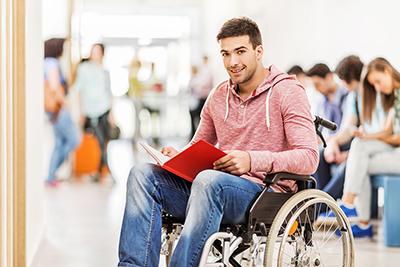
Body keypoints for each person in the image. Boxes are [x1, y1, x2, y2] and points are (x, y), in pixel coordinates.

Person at [118, 17, 318, 267]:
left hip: (264, 193)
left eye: (240, 52)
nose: (232, 62)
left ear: (259, 51)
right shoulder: (218, 95)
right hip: (211, 189)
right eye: (225, 54)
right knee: (141, 174)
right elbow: (198, 144)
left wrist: (251, 160)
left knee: (209, 180)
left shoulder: (287, 92)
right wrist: (176, 158)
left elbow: (309, 157)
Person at [324, 58, 400, 238]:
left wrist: (367, 137)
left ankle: (349, 205)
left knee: (360, 158)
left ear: (388, 71)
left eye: (378, 82)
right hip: (393, 152)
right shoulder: (394, 97)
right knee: (360, 158)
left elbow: (396, 138)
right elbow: (388, 131)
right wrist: (365, 135)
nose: (378, 88)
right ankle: (361, 219)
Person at [314, 56, 364, 200]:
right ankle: (318, 201)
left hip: (359, 148)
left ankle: (320, 205)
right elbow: (347, 128)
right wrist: (334, 142)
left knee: (346, 166)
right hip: (354, 145)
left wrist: (348, 154)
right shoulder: (353, 96)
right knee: (320, 155)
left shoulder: (354, 94)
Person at [74, 43, 113, 181]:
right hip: (90, 111)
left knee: (104, 141)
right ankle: (107, 171)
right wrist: (81, 111)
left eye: (98, 52)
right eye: (93, 51)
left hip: (104, 109)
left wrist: (112, 114)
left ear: (102, 54)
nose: (95, 54)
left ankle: (99, 172)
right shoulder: (83, 68)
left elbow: (109, 93)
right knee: (99, 141)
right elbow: (78, 90)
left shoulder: (104, 71)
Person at [44, 38, 79, 187]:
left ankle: (51, 175)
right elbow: (54, 86)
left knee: (59, 143)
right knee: (74, 140)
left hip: (53, 110)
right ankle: (51, 173)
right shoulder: (52, 63)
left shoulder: (46, 61)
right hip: (59, 108)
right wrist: (65, 103)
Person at [307, 63, 349, 136]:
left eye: (317, 84)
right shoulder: (322, 102)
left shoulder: (347, 95)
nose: (316, 89)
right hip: (327, 143)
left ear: (329, 77)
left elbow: (346, 128)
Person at [189, 55, 214, 138]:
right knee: (195, 116)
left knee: (201, 118)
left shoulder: (208, 71)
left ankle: (199, 136)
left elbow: (204, 84)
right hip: (198, 98)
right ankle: (194, 135)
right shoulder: (201, 72)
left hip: (204, 98)